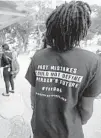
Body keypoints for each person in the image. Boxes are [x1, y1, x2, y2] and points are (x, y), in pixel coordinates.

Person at [25, 1, 101, 138]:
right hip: (69, 133)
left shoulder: (38, 56)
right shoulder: (93, 62)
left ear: (52, 27)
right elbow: (86, 109)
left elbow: (33, 96)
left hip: (40, 129)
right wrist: (75, 122)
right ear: (81, 29)